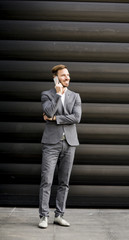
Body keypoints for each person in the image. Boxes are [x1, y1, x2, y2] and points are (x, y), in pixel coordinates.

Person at [38, 64, 82, 228]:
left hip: (70, 143)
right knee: (46, 181)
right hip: (51, 144)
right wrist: (57, 95)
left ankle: (59, 215)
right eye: (63, 75)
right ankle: (44, 217)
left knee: (64, 182)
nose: (67, 78)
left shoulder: (75, 96)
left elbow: (77, 118)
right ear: (56, 78)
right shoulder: (46, 95)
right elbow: (48, 111)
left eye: (68, 75)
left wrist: (56, 119)